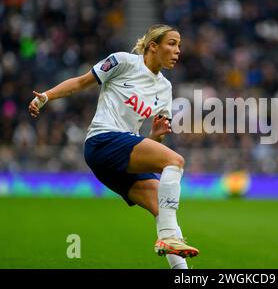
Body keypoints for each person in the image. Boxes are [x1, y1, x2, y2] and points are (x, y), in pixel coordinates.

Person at [28, 24, 199, 269]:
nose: (177, 50)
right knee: (176, 161)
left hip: (120, 153)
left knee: (161, 206)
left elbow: (149, 145)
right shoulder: (123, 62)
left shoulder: (165, 88)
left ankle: (182, 272)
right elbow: (80, 82)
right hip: (102, 140)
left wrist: (154, 135)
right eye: (172, 43)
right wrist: (46, 97)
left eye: (179, 46)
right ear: (153, 46)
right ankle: (169, 239)